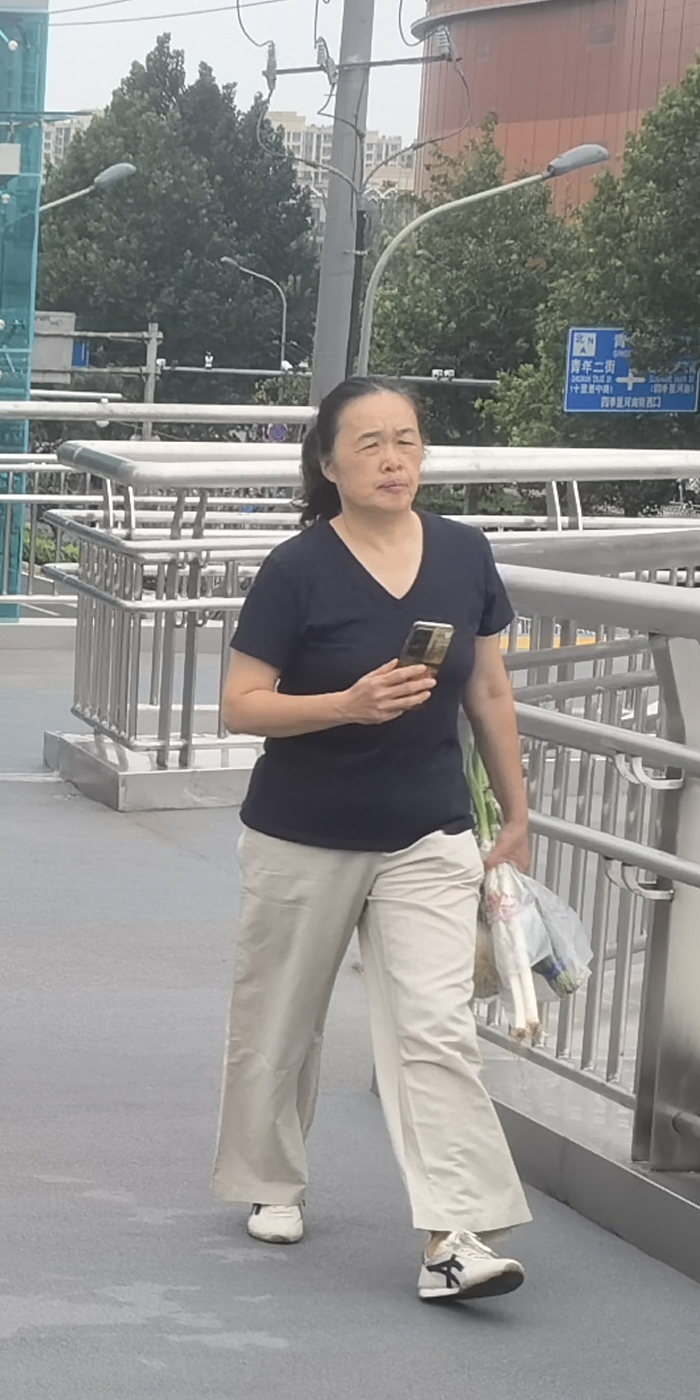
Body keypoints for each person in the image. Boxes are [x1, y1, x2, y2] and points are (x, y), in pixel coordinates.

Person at [209, 376, 536, 1302]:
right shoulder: (297, 569)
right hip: (302, 832)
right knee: (280, 1021)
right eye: (370, 445)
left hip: (427, 829)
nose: (395, 460)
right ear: (329, 464)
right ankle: (271, 1181)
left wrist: (516, 813)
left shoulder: (465, 553)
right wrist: (346, 704)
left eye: (408, 441)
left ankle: (453, 1236)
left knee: (437, 1029)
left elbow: (489, 691)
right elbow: (241, 705)